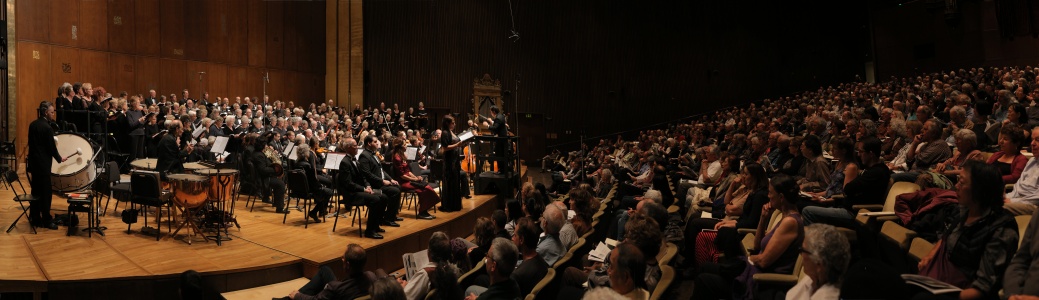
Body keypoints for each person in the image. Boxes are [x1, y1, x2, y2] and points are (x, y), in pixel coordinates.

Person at [914, 161, 1018, 300]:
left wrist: (947, 295)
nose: (956, 186)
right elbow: (945, 238)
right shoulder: (965, 211)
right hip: (944, 282)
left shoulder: (1002, 229)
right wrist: (930, 256)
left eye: (962, 183)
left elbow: (983, 287)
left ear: (979, 190)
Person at [693, 175, 804, 300]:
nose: (768, 196)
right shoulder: (784, 217)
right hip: (755, 271)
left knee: (704, 280)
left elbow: (763, 261)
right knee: (705, 267)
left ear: (781, 197)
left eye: (770, 193)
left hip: (763, 282)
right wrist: (763, 218)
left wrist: (748, 259)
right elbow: (757, 246)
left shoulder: (790, 222)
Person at [802, 136, 892, 228]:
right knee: (803, 202)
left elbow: (847, 189)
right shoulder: (870, 170)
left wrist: (826, 201)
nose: (859, 155)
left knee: (807, 211)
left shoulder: (877, 172)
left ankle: (814, 240)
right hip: (844, 206)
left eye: (861, 151)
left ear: (871, 154)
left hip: (854, 213)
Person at [337, 138, 388, 239]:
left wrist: (367, 185)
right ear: (348, 148)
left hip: (359, 190)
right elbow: (348, 184)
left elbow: (363, 177)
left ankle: (375, 225)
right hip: (351, 194)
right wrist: (364, 189)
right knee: (375, 199)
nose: (358, 147)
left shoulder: (356, 160)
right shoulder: (345, 163)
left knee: (384, 197)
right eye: (355, 146)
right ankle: (369, 231)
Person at [282, 244, 372, 300]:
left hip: (341, 294)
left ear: (347, 264)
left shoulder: (335, 288)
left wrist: (298, 296)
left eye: (343, 257)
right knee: (325, 270)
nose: (341, 259)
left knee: (297, 296)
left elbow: (315, 299)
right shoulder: (371, 277)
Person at [27, 101, 66, 230]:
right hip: (43, 165)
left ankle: (34, 217)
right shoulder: (47, 128)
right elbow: (51, 148)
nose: (53, 114)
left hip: (34, 164)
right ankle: (46, 220)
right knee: (46, 193)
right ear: (45, 112)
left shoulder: (32, 125)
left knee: (35, 191)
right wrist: (60, 159)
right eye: (52, 112)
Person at [785, 224, 851, 300]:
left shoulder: (828, 296)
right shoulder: (812, 279)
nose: (801, 254)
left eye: (802, 250)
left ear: (819, 263)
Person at [357, 136, 403, 227]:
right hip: (374, 184)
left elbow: (381, 170)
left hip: (380, 182)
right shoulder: (364, 156)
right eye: (375, 142)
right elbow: (367, 174)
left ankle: (391, 215)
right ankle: (388, 219)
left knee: (398, 187)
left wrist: (391, 179)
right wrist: (382, 181)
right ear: (369, 143)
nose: (378, 143)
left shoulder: (374, 154)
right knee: (395, 191)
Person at [401, 232, 462, 300]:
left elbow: (404, 298)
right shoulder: (451, 269)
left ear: (429, 252)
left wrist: (402, 288)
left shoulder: (425, 274)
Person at [390, 139, 439, 219]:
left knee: (426, 189)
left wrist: (416, 177)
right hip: (402, 182)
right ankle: (422, 212)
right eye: (405, 144)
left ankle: (423, 211)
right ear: (401, 147)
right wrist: (414, 180)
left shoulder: (403, 156)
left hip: (408, 180)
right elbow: (402, 176)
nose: (406, 146)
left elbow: (408, 171)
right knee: (426, 189)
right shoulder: (397, 158)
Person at [1004, 126, 1039, 216]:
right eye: (1032, 140)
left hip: (1033, 205)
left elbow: (1037, 197)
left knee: (998, 207)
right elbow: (1018, 185)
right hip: (1018, 200)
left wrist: (1012, 201)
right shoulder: (1032, 161)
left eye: (1037, 140)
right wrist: (1008, 197)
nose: (1032, 143)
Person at [511, 217, 549, 296]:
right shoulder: (543, 262)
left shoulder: (516, 276)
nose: (512, 238)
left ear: (521, 239)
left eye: (514, 235)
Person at [439, 115, 470, 212]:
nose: (454, 124)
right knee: (450, 182)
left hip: (455, 161)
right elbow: (445, 147)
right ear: (447, 123)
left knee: (455, 182)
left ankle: (455, 205)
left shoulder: (450, 131)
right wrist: (457, 145)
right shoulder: (444, 133)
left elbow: (455, 143)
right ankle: (449, 205)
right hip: (449, 162)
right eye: (453, 123)